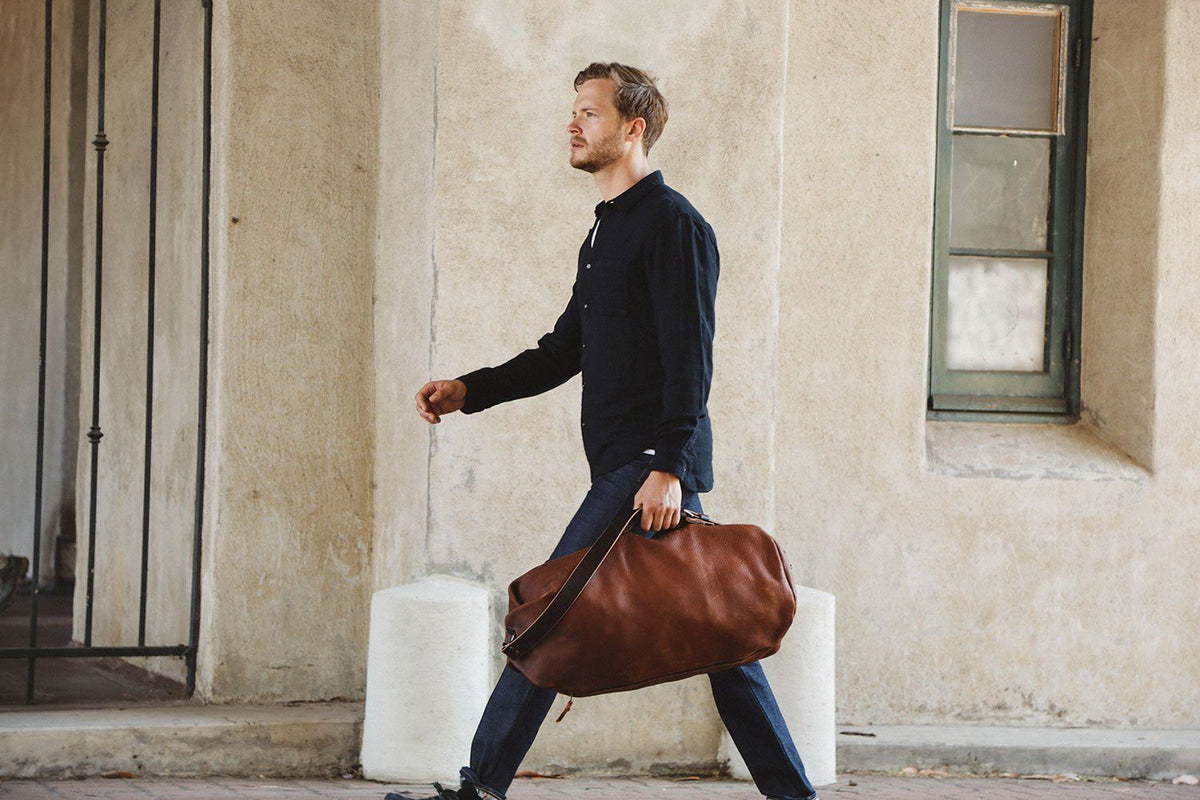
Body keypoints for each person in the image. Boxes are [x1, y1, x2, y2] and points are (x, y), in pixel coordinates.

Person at [395, 62, 817, 800]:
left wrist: (668, 467)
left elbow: (691, 359)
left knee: (549, 619)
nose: (573, 123)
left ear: (633, 128)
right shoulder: (604, 231)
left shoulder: (674, 224)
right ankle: (793, 794)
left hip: (644, 466)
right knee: (722, 635)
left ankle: (480, 788)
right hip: (632, 464)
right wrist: (470, 390)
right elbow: (565, 350)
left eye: (589, 113)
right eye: (575, 111)